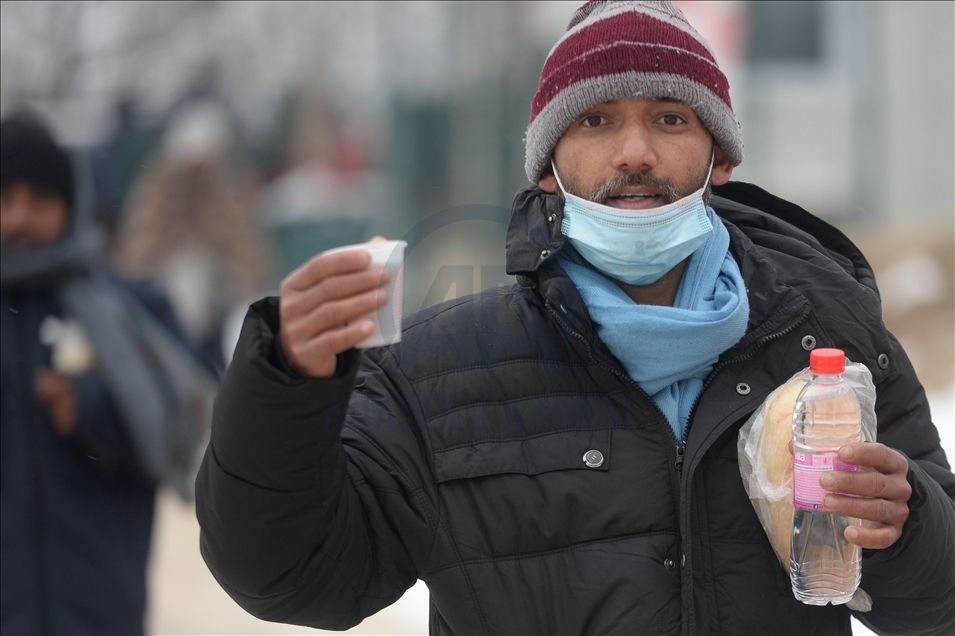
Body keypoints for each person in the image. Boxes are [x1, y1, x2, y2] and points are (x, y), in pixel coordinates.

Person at [196, 2, 955, 634]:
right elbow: (289, 575)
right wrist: (287, 387)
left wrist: (905, 525)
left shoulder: (828, 344)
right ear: (545, 166)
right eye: (593, 121)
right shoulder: (438, 371)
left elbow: (938, 602)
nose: (633, 152)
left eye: (668, 118)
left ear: (720, 157)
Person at [0, 114, 187, 635]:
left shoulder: (132, 314)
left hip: (97, 610)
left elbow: (185, 435)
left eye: (38, 201)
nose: (17, 219)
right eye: (5, 198)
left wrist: (93, 410)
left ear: (71, 206)